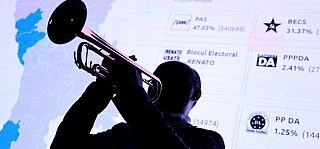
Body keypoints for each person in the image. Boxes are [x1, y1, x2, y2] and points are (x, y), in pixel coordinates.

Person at [50, 60, 225, 149]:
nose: (163, 85)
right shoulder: (122, 132)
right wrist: (99, 92)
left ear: (195, 94)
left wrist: (133, 93)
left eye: (176, 80)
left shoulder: (209, 140)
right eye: (157, 80)